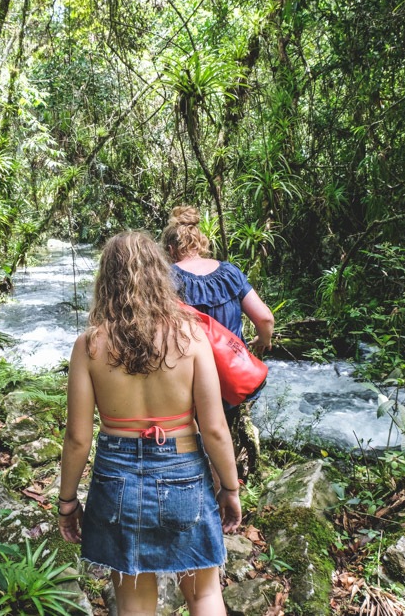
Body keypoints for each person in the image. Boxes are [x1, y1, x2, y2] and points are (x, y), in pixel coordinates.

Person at [57, 231, 241, 616]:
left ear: (106, 280)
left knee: (134, 602)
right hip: (184, 472)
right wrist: (230, 487)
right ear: (161, 273)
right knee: (205, 595)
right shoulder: (192, 336)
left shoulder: (89, 345)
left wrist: (68, 501)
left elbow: (78, 438)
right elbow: (214, 428)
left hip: (115, 481)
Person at [160, 206, 275, 482]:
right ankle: (227, 491)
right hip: (228, 380)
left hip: (184, 382)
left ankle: (198, 491)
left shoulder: (167, 279)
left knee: (190, 444)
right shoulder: (229, 273)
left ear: (172, 249)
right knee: (222, 433)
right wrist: (261, 342)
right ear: (200, 241)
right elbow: (265, 318)